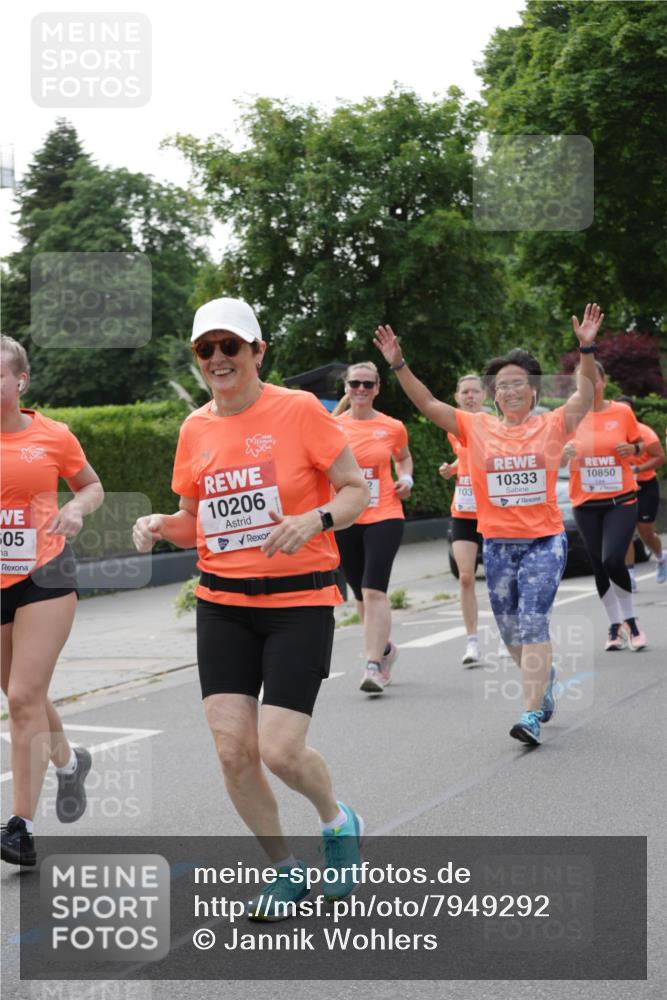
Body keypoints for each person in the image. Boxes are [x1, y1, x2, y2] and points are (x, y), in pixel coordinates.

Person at [132, 298, 369, 919]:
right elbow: (194, 522)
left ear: (258, 351)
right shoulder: (195, 429)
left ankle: (337, 819)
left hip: (299, 602)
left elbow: (355, 491)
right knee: (233, 751)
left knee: (280, 751)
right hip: (222, 604)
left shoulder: (297, 411)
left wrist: (311, 519)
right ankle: (285, 872)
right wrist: (160, 523)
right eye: (205, 349)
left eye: (229, 346)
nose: (217, 358)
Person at [374, 304, 605, 746]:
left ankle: (530, 713)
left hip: (543, 541)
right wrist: (398, 363)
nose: (512, 391)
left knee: (534, 620)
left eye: (520, 384)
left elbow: (584, 393)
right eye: (503, 386)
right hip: (497, 544)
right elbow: (425, 402)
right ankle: (544, 682)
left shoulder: (554, 425)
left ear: (533, 390)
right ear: (493, 394)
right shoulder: (475, 427)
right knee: (511, 631)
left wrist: (587, 348)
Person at [1, 335, 104, 866]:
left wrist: (78, 509)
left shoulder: (52, 435)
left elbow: (91, 485)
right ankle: (69, 766)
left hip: (45, 571)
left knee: (21, 699)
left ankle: (21, 828)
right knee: (26, 696)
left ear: (20, 381)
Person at [331, 361, 413, 693]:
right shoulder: (331, 427)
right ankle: (385, 651)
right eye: (355, 384)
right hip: (346, 517)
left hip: (384, 514)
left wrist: (405, 477)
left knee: (374, 590)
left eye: (368, 384)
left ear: (378, 388)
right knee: (360, 598)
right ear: (346, 387)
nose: (361, 389)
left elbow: (403, 457)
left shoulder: (393, 427)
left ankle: (373, 666)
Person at [564, 365, 646, 651]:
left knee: (613, 559)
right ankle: (614, 626)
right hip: (585, 503)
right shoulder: (569, 415)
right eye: (580, 381)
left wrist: (633, 450)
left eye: (592, 379)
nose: (587, 384)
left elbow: (640, 443)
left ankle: (632, 622)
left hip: (620, 499)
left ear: (603, 381)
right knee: (599, 565)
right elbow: (554, 458)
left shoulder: (622, 412)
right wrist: (564, 454)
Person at [438, 374, 485, 666]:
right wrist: (453, 468)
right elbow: (464, 455)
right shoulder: (454, 430)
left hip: (494, 513)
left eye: (474, 391)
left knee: (502, 579)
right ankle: (472, 642)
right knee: (466, 577)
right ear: (456, 397)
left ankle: (513, 635)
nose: (469, 396)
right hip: (463, 510)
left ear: (484, 395)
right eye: (464, 392)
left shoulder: (494, 424)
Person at [616, 396, 666, 588]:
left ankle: (661, 557)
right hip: (623, 488)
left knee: (646, 533)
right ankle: (630, 575)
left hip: (646, 485)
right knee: (625, 531)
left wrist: (637, 469)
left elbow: (660, 458)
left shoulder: (645, 433)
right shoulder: (611, 434)